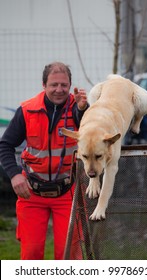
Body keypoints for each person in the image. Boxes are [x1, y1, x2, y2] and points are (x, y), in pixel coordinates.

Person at [0, 61, 89, 260]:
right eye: (54, 85)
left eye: (64, 85)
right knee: (31, 254)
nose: (59, 90)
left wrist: (84, 110)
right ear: (44, 85)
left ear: (70, 86)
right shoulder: (27, 110)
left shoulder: (79, 108)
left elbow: (86, 126)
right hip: (31, 193)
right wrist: (14, 175)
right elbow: (5, 145)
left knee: (68, 256)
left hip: (69, 192)